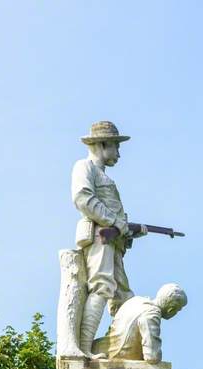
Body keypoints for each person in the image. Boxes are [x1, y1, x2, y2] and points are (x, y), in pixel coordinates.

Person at [71, 121, 146, 355]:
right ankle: (84, 350)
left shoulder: (103, 175)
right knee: (102, 287)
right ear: (102, 144)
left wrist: (128, 230)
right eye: (115, 146)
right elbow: (83, 198)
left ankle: (121, 349)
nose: (119, 153)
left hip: (113, 242)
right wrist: (114, 222)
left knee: (122, 295)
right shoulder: (85, 167)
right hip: (100, 237)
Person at [91, 284, 188, 364]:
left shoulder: (135, 301)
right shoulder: (152, 313)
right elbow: (152, 356)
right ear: (172, 309)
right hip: (112, 357)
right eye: (178, 310)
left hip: (98, 349)